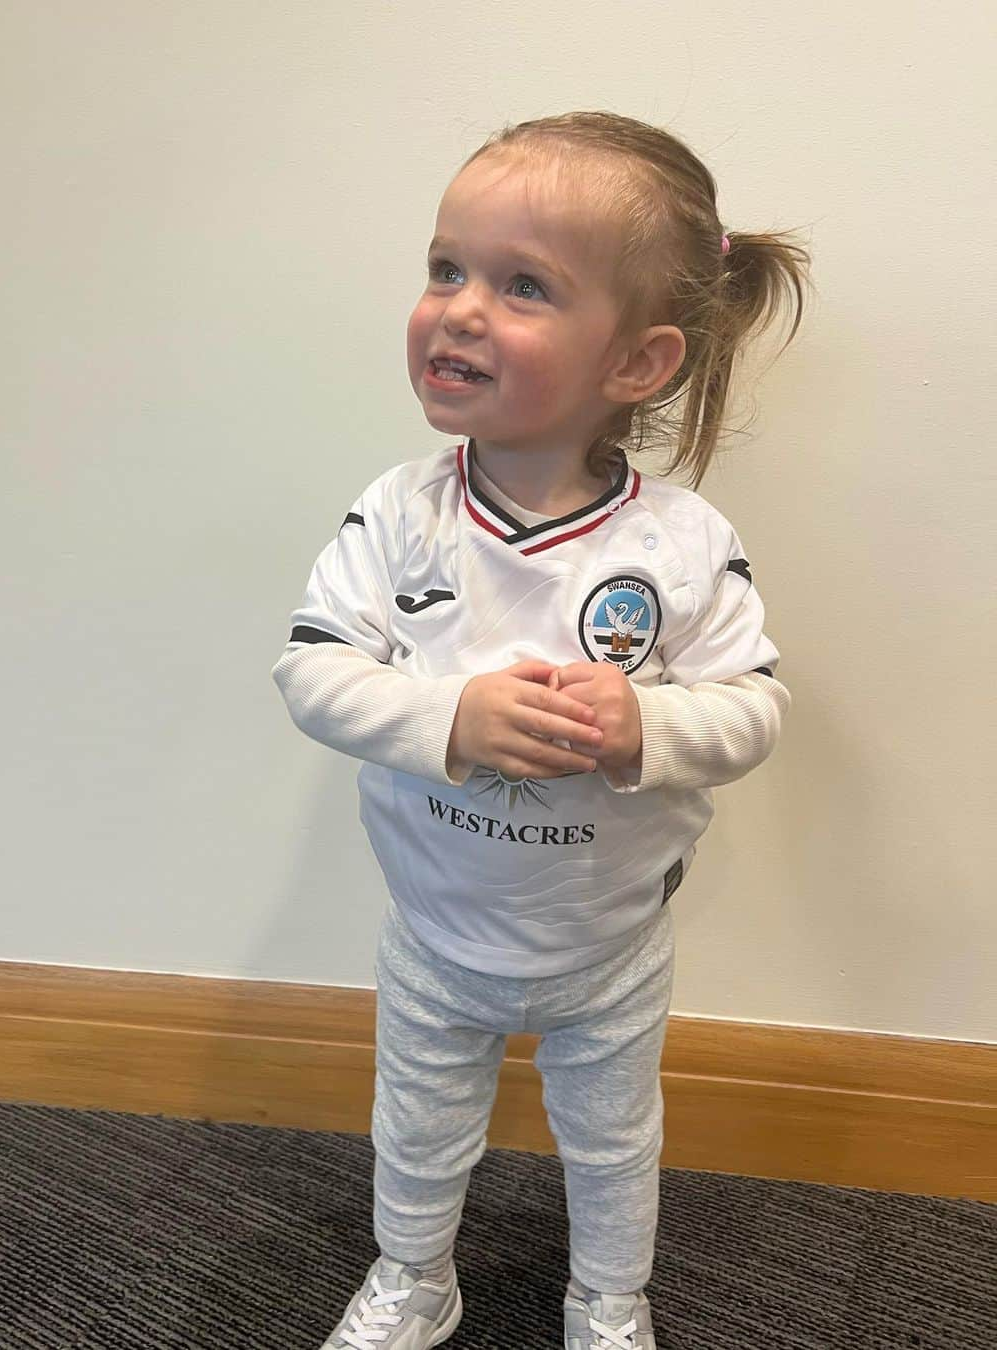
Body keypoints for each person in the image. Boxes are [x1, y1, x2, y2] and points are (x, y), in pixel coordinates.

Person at [273, 110, 811, 1350]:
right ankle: (416, 1277)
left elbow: (757, 705)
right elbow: (312, 672)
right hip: (436, 925)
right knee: (415, 1124)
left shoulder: (678, 546)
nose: (457, 308)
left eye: (522, 286)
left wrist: (645, 727)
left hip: (608, 940)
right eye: (444, 267)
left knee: (616, 1139)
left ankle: (608, 1300)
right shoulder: (401, 515)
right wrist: (447, 714)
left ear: (637, 361)